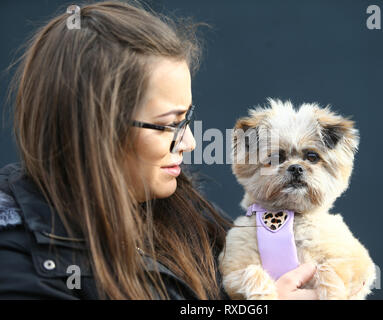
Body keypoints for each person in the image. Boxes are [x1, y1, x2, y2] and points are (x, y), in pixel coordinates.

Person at [0, 0, 318, 300]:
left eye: (187, 118)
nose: (190, 142)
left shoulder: (188, 214)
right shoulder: (17, 260)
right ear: (94, 127)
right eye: (168, 124)